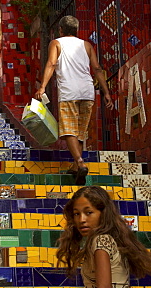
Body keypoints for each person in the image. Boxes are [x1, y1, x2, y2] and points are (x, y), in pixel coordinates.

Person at [37, 15, 113, 184]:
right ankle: (75, 167)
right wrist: (106, 91)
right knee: (80, 132)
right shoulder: (86, 45)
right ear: (76, 30)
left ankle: (80, 162)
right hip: (88, 92)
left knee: (69, 130)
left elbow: (51, 64)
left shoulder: (56, 43)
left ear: (61, 30)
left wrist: (42, 86)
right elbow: (97, 68)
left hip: (69, 92)